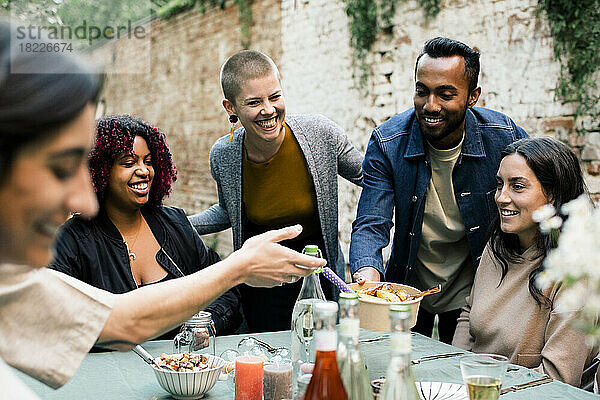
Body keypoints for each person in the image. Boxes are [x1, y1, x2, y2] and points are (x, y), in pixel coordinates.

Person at [0, 21, 325, 395]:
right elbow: (122, 324)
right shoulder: (68, 244)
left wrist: (213, 309)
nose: (83, 199)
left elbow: (117, 320)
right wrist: (240, 265)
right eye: (59, 167)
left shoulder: (11, 277)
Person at [349, 37, 528, 344]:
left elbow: (546, 195)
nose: (430, 105)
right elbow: (371, 223)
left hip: (475, 291)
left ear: (473, 96)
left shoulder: (504, 138)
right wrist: (367, 279)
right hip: (408, 289)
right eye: (422, 91)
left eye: (445, 94)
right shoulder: (387, 143)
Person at [189, 50, 363, 333]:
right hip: (261, 292)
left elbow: (371, 177)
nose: (268, 109)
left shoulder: (320, 135)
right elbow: (228, 210)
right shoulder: (224, 155)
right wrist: (176, 224)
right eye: (254, 102)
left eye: (275, 97)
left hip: (318, 285)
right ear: (230, 107)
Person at [49, 114, 242, 338]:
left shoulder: (174, 223)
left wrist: (208, 325)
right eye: (129, 163)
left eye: (148, 161)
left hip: (181, 367)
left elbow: (223, 286)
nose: (143, 171)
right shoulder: (72, 241)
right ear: (100, 171)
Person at [452, 137, 597, 386]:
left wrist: (483, 386)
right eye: (500, 185)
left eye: (517, 187)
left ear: (553, 195)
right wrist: (456, 369)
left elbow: (557, 379)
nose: (501, 197)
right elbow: (469, 315)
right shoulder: (497, 246)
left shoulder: (574, 269)